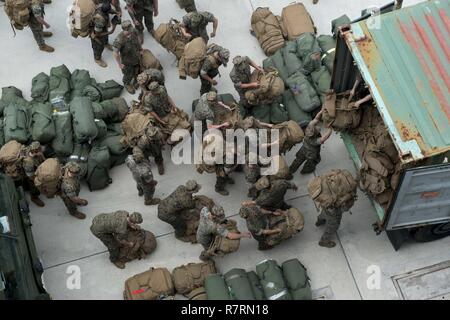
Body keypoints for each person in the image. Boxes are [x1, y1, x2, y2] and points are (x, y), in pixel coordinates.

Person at [289, 110, 332, 175]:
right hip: (311, 154)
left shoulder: (308, 128)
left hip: (303, 150)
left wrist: (321, 111)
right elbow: (323, 138)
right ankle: (305, 171)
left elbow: (316, 119)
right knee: (310, 164)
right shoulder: (314, 141)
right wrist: (330, 129)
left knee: (297, 161)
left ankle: (291, 170)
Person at [113, 20, 142, 94]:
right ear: (125, 29)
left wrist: (140, 48)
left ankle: (136, 78)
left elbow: (138, 38)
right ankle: (127, 83)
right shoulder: (119, 39)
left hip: (136, 55)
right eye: (129, 29)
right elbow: (115, 53)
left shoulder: (133, 31)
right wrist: (120, 64)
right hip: (127, 60)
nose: (131, 30)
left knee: (137, 68)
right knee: (128, 73)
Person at [90, 3, 118, 68]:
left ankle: (106, 44)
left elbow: (109, 10)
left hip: (102, 28)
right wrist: (111, 31)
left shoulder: (101, 6)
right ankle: (97, 59)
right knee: (98, 46)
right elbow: (97, 34)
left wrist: (116, 12)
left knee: (105, 37)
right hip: (96, 33)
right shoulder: (99, 20)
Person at [22, 142, 45, 207]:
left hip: (33, 168)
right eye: (39, 150)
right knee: (33, 184)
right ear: (35, 151)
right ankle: (34, 197)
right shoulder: (29, 161)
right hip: (28, 173)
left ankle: (26, 187)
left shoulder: (35, 151)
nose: (41, 151)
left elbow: (42, 160)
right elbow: (30, 176)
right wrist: (38, 180)